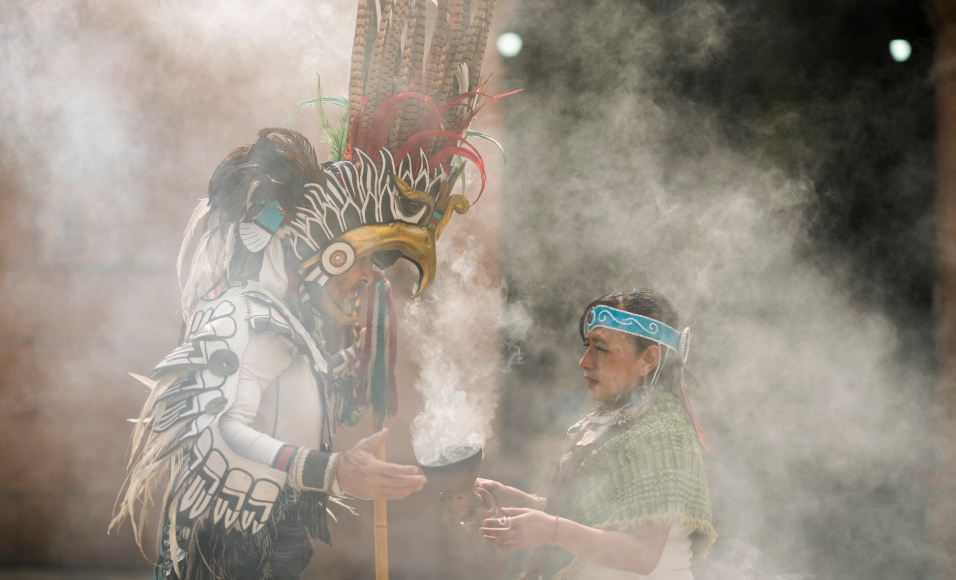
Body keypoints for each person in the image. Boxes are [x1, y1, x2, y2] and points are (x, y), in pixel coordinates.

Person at [110, 1, 508, 578]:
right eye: (366, 263)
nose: (370, 281)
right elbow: (219, 428)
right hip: (221, 556)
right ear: (328, 252)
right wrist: (331, 472)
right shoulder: (240, 314)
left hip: (275, 543)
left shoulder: (296, 325)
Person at [478, 289, 715, 580]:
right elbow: (597, 519)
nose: (584, 361)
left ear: (648, 360)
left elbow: (642, 554)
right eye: (587, 345)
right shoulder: (616, 421)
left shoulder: (664, 432)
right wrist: (517, 501)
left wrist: (551, 529)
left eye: (601, 348)